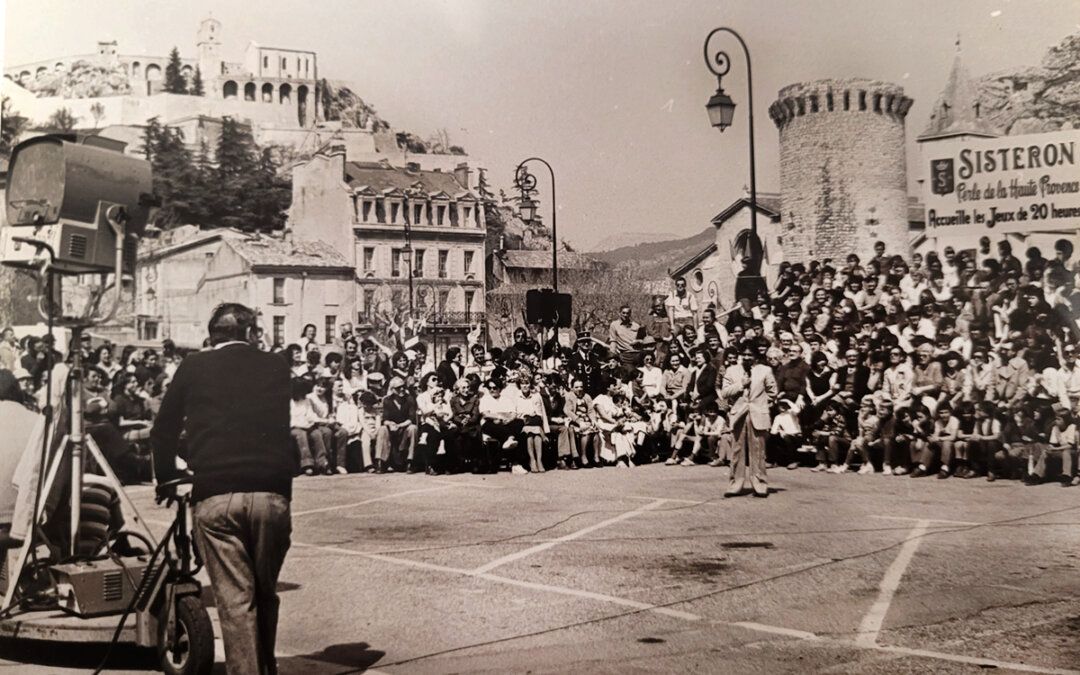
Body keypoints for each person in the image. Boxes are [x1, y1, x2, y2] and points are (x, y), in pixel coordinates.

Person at [151, 302, 293, 675]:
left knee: (235, 601)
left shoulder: (194, 366)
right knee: (264, 594)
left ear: (213, 335)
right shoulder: (277, 365)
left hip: (216, 495)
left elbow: (163, 429)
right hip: (271, 496)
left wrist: (166, 476)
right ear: (249, 332)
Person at [720, 341, 777, 497]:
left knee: (758, 450)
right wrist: (740, 385)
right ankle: (735, 485)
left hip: (757, 414)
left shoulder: (765, 370)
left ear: (756, 356)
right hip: (738, 414)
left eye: (749, 355)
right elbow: (724, 393)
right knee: (737, 451)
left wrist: (762, 404)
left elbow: (773, 392)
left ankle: (760, 485)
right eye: (744, 354)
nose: (746, 357)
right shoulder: (732, 370)